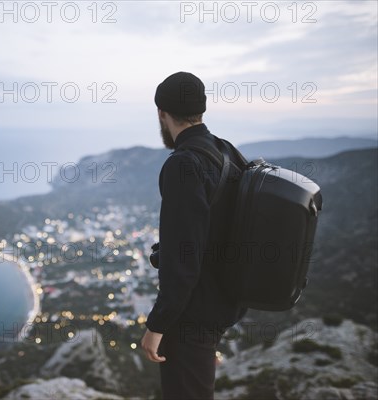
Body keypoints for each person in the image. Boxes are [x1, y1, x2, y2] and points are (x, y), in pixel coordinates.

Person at [140, 72, 248, 400]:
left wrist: (157, 325)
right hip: (226, 299)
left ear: (162, 113)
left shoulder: (183, 164)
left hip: (193, 315)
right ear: (200, 111)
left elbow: (183, 258)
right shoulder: (226, 151)